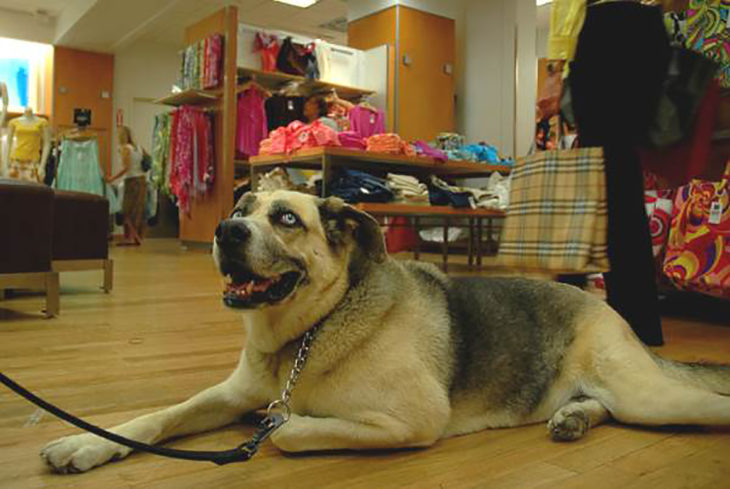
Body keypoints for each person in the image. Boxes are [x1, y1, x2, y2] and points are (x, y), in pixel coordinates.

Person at [548, 0, 670, 346]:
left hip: (606, 29)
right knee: (620, 182)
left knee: (596, 182)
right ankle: (637, 322)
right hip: (648, 27)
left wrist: (555, 70)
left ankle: (565, 314)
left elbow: (568, 6)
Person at [107, 126, 147, 246]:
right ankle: (135, 237)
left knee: (126, 209)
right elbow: (146, 161)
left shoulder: (125, 149)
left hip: (131, 181)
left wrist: (112, 178)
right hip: (142, 180)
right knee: (137, 210)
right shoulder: (139, 147)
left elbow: (126, 168)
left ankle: (132, 237)